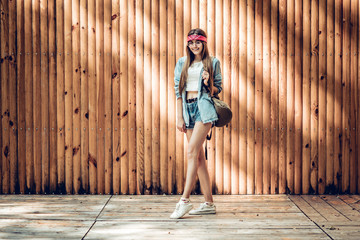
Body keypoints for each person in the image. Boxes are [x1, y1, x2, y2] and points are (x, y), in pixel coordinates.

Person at [170, 28, 222, 219]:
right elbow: (178, 91)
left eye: (198, 42)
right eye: (191, 43)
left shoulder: (213, 62)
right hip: (187, 110)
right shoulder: (182, 63)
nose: (194, 46)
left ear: (204, 43)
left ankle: (184, 200)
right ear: (188, 44)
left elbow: (218, 89)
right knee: (199, 158)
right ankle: (208, 203)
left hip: (204, 110)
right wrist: (179, 116)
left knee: (191, 152)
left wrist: (209, 83)